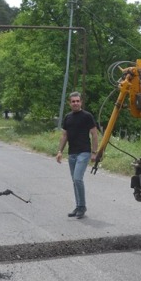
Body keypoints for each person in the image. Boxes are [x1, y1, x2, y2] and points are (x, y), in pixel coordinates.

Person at [56, 91, 98, 219]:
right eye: (73, 101)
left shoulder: (87, 116)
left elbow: (94, 134)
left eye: (77, 101)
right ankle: (78, 206)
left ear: (81, 102)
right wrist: (59, 151)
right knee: (75, 181)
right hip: (72, 153)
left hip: (84, 152)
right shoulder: (68, 117)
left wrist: (94, 152)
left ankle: (82, 206)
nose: (75, 103)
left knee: (78, 178)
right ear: (70, 103)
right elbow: (64, 135)